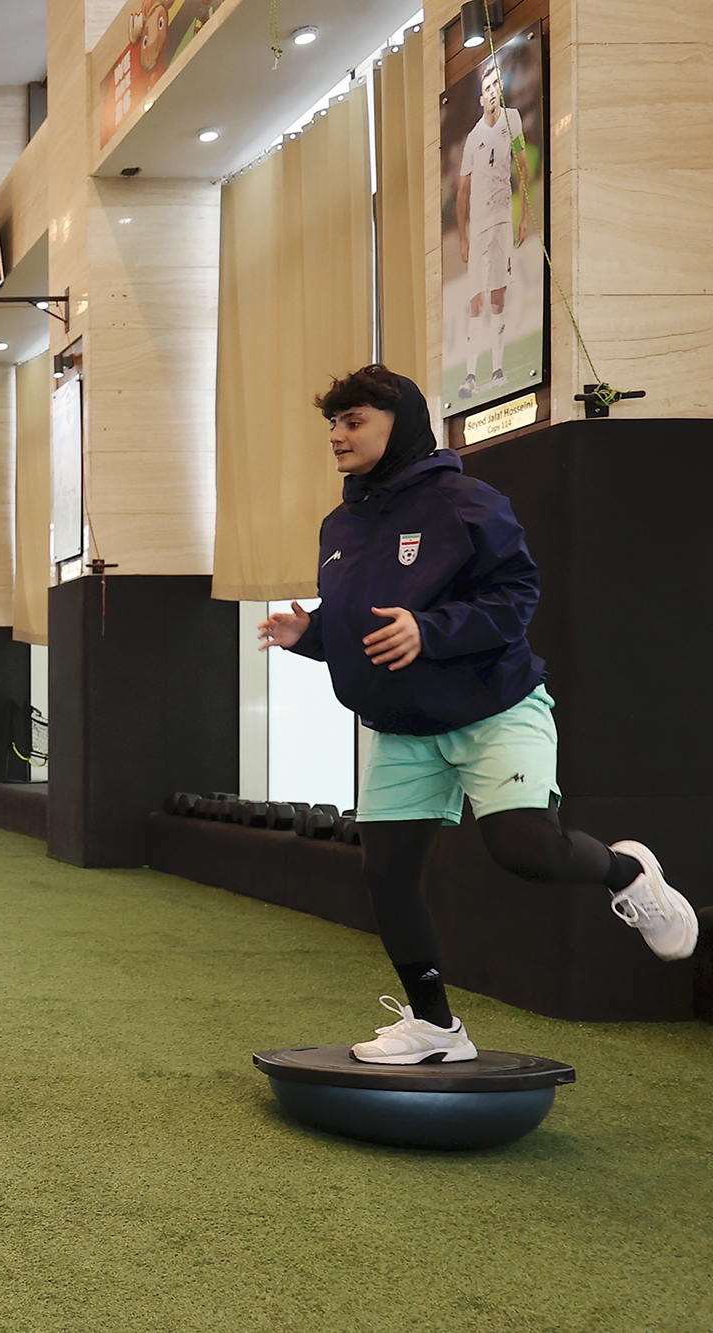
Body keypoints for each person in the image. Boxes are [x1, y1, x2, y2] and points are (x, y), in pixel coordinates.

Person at [258, 365, 697, 1065]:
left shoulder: (465, 501)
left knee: (527, 851)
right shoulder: (340, 524)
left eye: (354, 421)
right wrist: (309, 634)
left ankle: (626, 872)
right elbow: (362, 625)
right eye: (333, 423)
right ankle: (436, 1026)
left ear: (400, 423)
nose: (338, 435)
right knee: (386, 875)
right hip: (405, 726)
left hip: (494, 705)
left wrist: (430, 631)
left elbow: (516, 597)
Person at [457, 60, 521, 401]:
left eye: (496, 85)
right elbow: (462, 191)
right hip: (480, 225)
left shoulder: (513, 119)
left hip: (503, 220)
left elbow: (522, 165)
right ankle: (470, 375)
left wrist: (524, 217)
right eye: (487, 88)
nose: (493, 92)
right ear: (481, 98)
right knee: (477, 298)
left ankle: (497, 368)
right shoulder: (473, 138)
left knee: (498, 296)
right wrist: (463, 235)